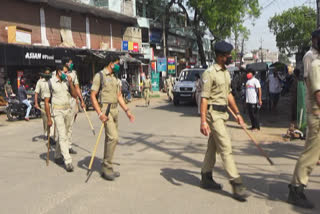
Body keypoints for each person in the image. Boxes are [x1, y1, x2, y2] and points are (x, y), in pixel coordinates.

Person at [200, 41, 250, 202]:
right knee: (226, 147)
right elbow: (204, 98)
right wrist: (203, 121)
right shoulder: (210, 73)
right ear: (221, 56)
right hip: (213, 115)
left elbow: (228, 95)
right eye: (228, 55)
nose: (230, 57)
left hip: (223, 114)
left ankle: (206, 177)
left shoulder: (226, 73)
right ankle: (236, 184)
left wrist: (238, 113)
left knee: (212, 147)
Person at [287, 29, 320, 209]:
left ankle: (296, 186)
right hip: (316, 113)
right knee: (310, 155)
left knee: (311, 153)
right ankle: (296, 189)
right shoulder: (312, 60)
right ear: (315, 40)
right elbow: (317, 93)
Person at [91, 56, 135, 181]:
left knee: (110, 139)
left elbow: (119, 95)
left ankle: (107, 166)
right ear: (110, 63)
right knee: (113, 138)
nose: (118, 66)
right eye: (116, 63)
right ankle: (107, 168)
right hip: (106, 110)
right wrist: (100, 114)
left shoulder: (115, 77)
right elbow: (93, 96)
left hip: (115, 110)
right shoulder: (99, 76)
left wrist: (127, 111)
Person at [44, 65, 78, 172]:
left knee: (65, 134)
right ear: (58, 72)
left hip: (67, 110)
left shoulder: (66, 82)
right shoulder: (50, 83)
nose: (66, 73)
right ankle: (68, 161)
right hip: (57, 111)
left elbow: (74, 95)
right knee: (62, 135)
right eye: (64, 72)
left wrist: (71, 83)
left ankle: (58, 155)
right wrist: (49, 118)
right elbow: (46, 102)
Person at [64, 60, 86, 154]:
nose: (71, 64)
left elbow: (77, 88)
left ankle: (68, 145)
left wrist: (81, 100)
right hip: (61, 102)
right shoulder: (56, 73)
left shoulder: (73, 74)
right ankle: (61, 147)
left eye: (72, 62)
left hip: (71, 101)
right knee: (63, 126)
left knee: (70, 125)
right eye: (69, 62)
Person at [34, 68, 55, 140]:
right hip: (43, 103)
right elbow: (36, 93)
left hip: (51, 102)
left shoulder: (52, 81)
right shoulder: (40, 82)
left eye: (48, 73)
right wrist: (36, 103)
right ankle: (46, 134)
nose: (47, 74)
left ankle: (51, 136)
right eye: (46, 73)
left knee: (52, 118)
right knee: (45, 119)